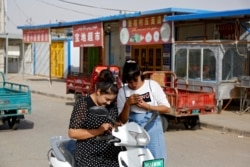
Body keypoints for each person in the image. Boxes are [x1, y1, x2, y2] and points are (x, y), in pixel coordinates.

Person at [117, 59, 171, 163]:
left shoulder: (152, 85)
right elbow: (122, 120)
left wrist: (148, 107)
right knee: (137, 160)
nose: (133, 84)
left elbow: (166, 108)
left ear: (140, 74)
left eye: (135, 80)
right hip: (134, 132)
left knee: (156, 160)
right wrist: (128, 104)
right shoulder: (123, 91)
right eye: (129, 81)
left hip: (153, 128)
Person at [68, 69, 122, 167]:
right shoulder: (84, 104)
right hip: (89, 152)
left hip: (110, 151)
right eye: (107, 99)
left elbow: (116, 123)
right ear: (99, 91)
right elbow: (72, 132)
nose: (109, 103)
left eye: (112, 100)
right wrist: (98, 131)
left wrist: (116, 127)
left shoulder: (111, 105)